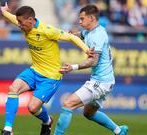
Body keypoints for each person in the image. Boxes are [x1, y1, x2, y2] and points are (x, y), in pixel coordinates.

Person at [0, 2, 94, 135]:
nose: (19, 25)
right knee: (13, 89)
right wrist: (4, 12)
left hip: (50, 76)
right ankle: (8, 130)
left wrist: (86, 50)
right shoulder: (24, 25)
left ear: (31, 20)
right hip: (34, 70)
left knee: (32, 108)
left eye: (21, 22)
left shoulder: (47, 30)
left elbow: (71, 37)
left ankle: (47, 121)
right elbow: (12, 18)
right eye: (18, 22)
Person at [53, 5, 128, 135]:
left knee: (67, 104)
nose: (80, 22)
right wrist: (59, 35)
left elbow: (94, 61)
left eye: (82, 19)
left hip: (100, 82)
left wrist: (73, 67)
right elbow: (76, 36)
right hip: (106, 81)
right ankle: (119, 131)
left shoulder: (97, 35)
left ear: (92, 18)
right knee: (88, 113)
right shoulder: (90, 32)